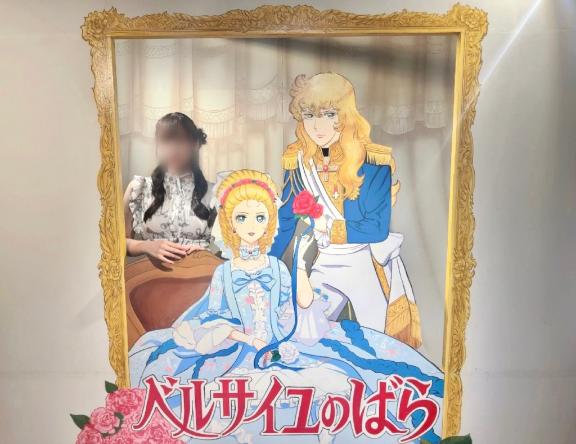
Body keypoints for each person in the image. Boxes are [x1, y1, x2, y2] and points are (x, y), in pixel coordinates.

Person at [129, 169, 443, 443]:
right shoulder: (225, 272)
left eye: (259, 217)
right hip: (234, 352)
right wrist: (246, 338)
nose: (251, 226)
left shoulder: (276, 267)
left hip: (282, 345)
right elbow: (214, 316)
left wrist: (302, 266)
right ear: (230, 223)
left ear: (269, 221)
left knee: (339, 385)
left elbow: (294, 311)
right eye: (242, 217)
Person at [270, 73, 421, 347]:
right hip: (322, 261)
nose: (318, 126)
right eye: (309, 115)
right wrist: (263, 262)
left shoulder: (374, 163)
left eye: (329, 114)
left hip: (365, 263)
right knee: (307, 336)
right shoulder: (299, 163)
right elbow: (286, 221)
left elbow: (376, 228)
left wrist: (330, 229)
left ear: (346, 116)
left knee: (378, 342)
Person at [123, 112, 216, 264]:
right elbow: (120, 243)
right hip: (152, 276)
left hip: (202, 274)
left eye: (181, 140)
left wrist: (205, 251)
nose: (173, 149)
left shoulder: (215, 193)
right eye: (166, 141)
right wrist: (147, 246)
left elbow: (230, 247)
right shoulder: (139, 189)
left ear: (195, 144)